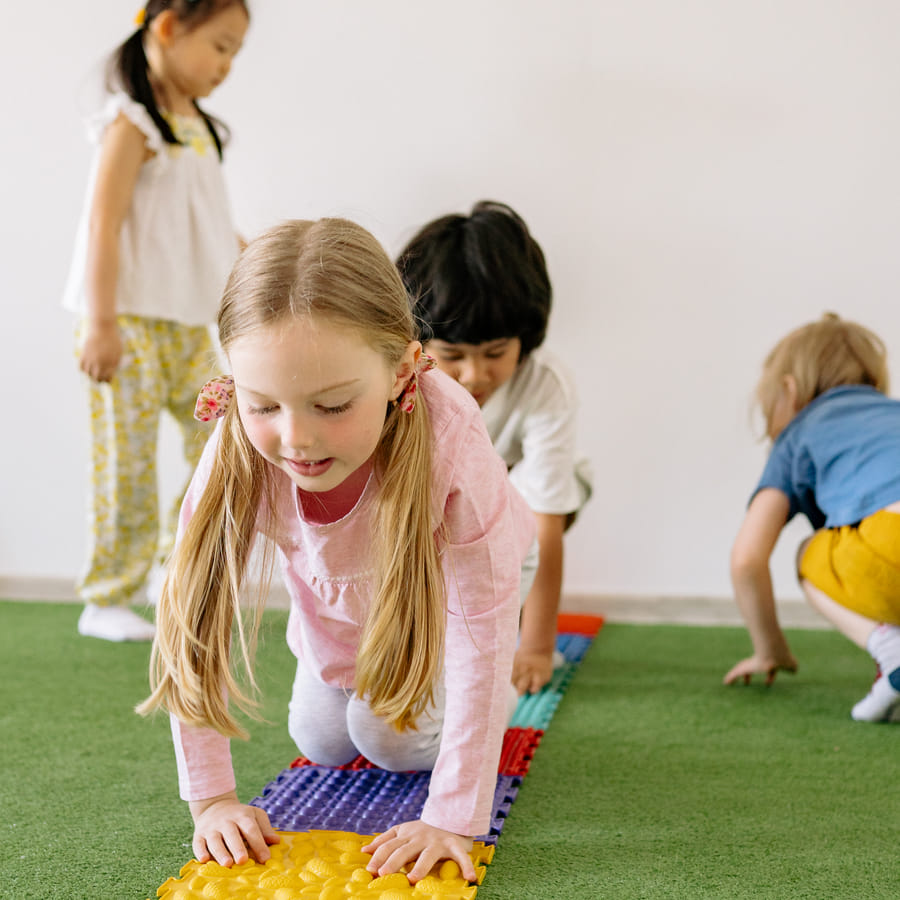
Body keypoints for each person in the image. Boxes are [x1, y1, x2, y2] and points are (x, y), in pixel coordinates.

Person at [137, 219, 537, 883]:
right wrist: (211, 802)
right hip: (342, 592)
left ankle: (421, 700)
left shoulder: (450, 448)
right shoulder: (239, 450)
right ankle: (357, 675)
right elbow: (193, 621)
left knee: (389, 738)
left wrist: (452, 816)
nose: (297, 440)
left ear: (403, 369)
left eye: (332, 405)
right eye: (265, 404)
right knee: (320, 740)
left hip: (456, 593)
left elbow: (484, 640)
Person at [62, 0, 249, 641]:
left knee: (223, 438)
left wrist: (257, 257)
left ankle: (175, 569)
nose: (228, 64)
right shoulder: (132, 122)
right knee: (127, 462)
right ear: (167, 29)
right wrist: (101, 322)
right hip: (130, 322)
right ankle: (108, 594)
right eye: (220, 46)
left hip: (187, 322)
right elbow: (101, 225)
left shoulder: (197, 125)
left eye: (236, 52)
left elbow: (206, 225)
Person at [396, 201, 592, 695]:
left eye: (496, 354)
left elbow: (547, 526)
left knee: (518, 529)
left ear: (523, 340)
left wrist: (536, 647)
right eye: (454, 356)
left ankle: (503, 617)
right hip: (441, 491)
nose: (476, 375)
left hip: (518, 494)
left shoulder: (546, 386)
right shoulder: (403, 377)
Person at [725, 313, 900, 723]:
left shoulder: (799, 433)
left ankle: (891, 652)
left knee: (810, 553)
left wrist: (769, 649)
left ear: (789, 390)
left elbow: (747, 559)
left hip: (888, 540)